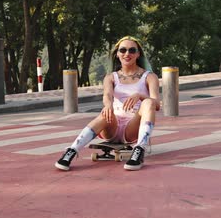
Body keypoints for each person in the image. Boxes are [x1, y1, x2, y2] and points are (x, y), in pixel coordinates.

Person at [55, 36, 160, 171]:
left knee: (148, 103)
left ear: (138, 54)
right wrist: (108, 105)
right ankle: (71, 151)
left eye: (132, 50)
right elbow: (107, 95)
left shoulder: (149, 77)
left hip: (132, 127)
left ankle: (139, 150)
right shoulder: (111, 77)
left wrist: (140, 96)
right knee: (105, 112)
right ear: (117, 54)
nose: (127, 54)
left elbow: (156, 104)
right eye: (123, 50)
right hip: (111, 125)